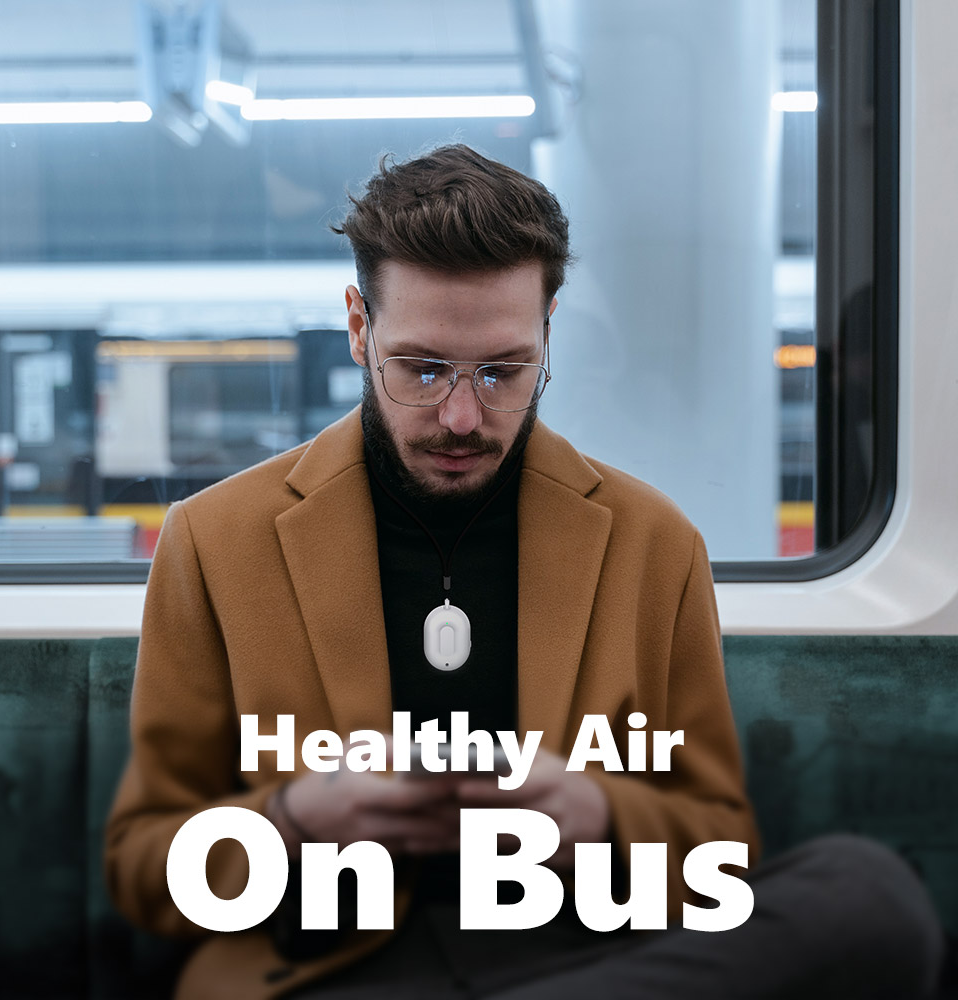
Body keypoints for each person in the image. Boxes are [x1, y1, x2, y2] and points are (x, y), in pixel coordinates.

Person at [105, 144, 944, 999]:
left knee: (865, 894)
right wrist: (296, 822)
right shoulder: (217, 541)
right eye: (422, 370)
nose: (462, 417)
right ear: (360, 331)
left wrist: (601, 820)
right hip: (334, 971)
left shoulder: (651, 543)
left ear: (547, 333)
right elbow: (146, 866)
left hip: (585, 957)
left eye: (503, 372)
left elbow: (719, 850)